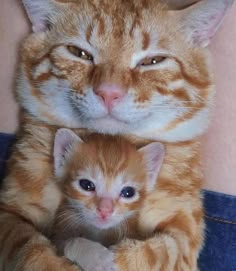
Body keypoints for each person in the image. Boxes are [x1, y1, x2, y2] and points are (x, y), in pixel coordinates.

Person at [0, 0, 235, 270]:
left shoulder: (176, 153)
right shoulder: (42, 136)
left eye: (151, 60)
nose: (109, 89)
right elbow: (10, 223)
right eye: (80, 53)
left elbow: (180, 252)